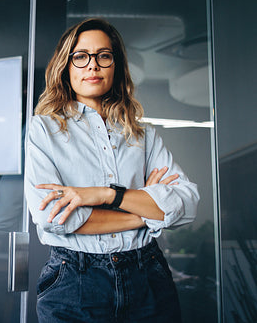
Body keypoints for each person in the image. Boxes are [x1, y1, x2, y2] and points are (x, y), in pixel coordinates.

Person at [24, 18, 199, 322]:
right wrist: (146, 212)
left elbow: (187, 203)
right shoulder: (44, 130)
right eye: (81, 56)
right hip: (74, 283)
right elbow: (54, 217)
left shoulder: (142, 135)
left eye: (103, 56)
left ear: (115, 66)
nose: (93, 65)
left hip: (148, 278)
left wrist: (106, 195)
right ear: (66, 67)